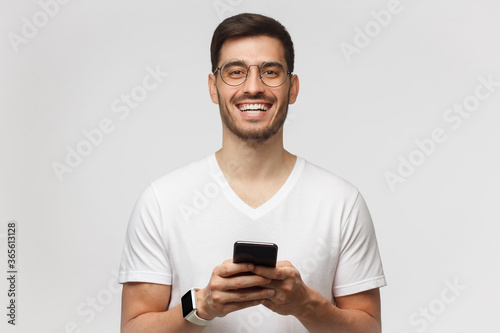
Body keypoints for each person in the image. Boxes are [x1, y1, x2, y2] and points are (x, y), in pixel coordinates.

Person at [118, 13, 386, 333]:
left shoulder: (342, 202)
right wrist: (202, 305)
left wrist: (305, 305)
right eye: (235, 72)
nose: (254, 87)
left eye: (271, 72)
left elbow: (368, 329)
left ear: (293, 87)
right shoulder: (162, 201)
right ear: (213, 87)